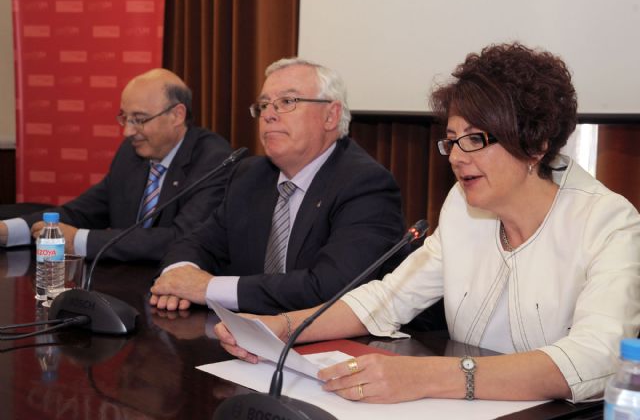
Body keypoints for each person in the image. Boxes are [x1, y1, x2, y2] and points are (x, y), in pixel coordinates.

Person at [215, 43, 640, 403]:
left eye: (475, 139)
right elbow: (389, 298)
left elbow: (597, 358)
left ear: (535, 144)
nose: (457, 157)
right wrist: (281, 327)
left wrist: (429, 376)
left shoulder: (608, 222)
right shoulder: (462, 207)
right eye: (452, 141)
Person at [149, 58, 406, 315]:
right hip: (243, 331)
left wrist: (208, 289)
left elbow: (333, 287)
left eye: (287, 102)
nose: (269, 115)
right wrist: (177, 277)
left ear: (330, 115)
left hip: (326, 337)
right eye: (264, 105)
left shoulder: (364, 184)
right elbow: (196, 243)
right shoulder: (250, 175)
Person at [0, 69, 232, 261]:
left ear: (177, 115)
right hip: (122, 283)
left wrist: (78, 240)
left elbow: (180, 239)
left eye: (139, 120)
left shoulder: (214, 160)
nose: (128, 131)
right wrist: (9, 231)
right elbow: (82, 212)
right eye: (125, 118)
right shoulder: (130, 153)